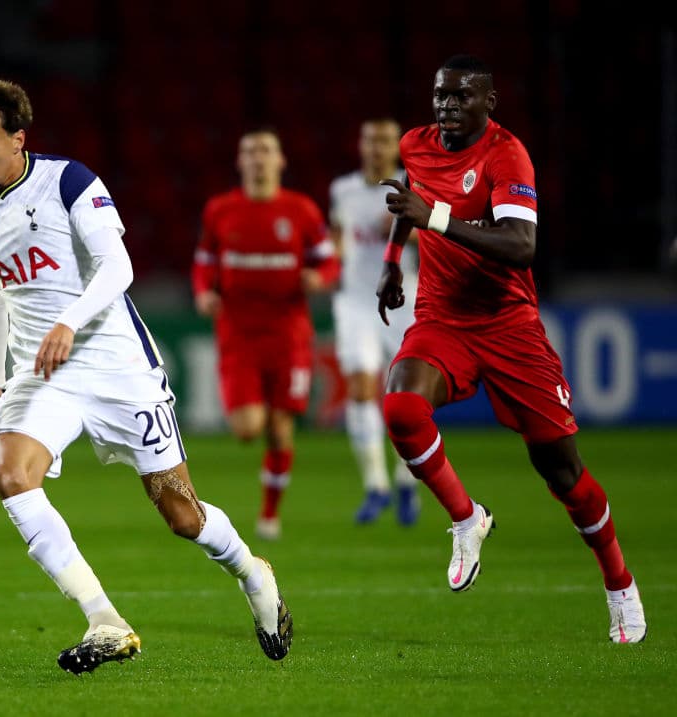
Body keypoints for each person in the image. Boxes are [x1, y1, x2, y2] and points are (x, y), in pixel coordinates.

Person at [0, 78, 293, 674]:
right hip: (43, 374)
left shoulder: (70, 181)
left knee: (182, 515)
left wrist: (69, 322)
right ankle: (104, 620)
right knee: (11, 475)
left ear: (18, 139)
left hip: (118, 367)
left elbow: (118, 266)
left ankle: (252, 571)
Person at [377, 55, 646, 642]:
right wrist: (392, 262)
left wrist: (435, 219)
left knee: (562, 472)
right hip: (442, 318)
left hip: (507, 324)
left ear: (489, 102)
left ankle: (620, 583)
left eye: (461, 96)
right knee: (399, 406)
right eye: (440, 95)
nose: (447, 105)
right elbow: (410, 196)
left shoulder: (507, 155)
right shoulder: (416, 144)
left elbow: (521, 245)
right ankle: (466, 518)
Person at [192, 128, 339, 541]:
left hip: (288, 335)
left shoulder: (301, 210)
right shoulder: (221, 210)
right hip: (238, 335)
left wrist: (319, 278)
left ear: (280, 160)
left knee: (279, 426)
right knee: (247, 429)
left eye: (266, 150)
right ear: (240, 161)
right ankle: (268, 500)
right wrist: (203, 292)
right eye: (251, 151)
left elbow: (329, 262)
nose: (259, 158)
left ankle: (269, 514)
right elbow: (204, 261)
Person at [329, 118, 421, 526]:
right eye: (370, 140)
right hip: (354, 301)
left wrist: (407, 231)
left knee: (406, 395)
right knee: (361, 389)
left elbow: (440, 236)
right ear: (361, 145)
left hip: (403, 299)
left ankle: (406, 480)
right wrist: (327, 257)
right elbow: (337, 237)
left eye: (384, 141)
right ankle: (375, 486)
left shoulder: (411, 186)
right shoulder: (343, 189)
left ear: (396, 146)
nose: (376, 147)